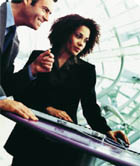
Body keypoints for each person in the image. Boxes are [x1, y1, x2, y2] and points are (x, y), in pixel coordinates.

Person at [5, 14, 130, 166]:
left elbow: (90, 108)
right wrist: (47, 108)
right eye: (79, 36)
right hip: (30, 136)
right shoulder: (39, 56)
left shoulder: (86, 71)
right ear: (66, 32)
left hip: (60, 141)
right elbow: (21, 94)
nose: (81, 44)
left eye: (86, 40)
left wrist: (107, 130)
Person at [0, 0, 57, 119]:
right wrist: (1, 99)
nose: (47, 18)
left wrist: (33, 68)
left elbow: (4, 85)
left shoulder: (13, 42)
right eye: (45, 10)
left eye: (49, 13)